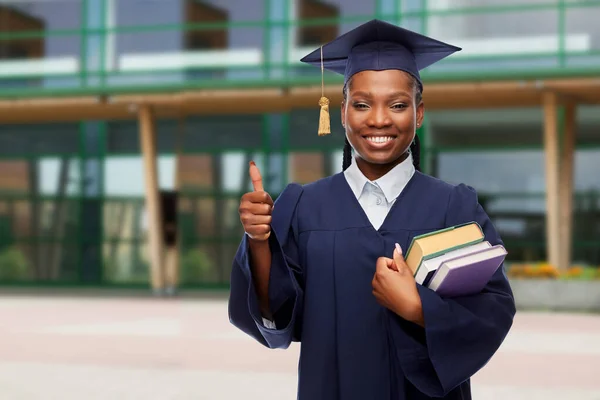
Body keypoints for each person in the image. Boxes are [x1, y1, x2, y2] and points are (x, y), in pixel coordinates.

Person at [228, 19, 516, 400]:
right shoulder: (302, 205)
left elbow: (493, 309)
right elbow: (278, 316)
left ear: (420, 113)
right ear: (343, 111)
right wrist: (259, 242)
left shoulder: (454, 206)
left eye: (398, 105)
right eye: (362, 104)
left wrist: (419, 309)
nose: (379, 119)